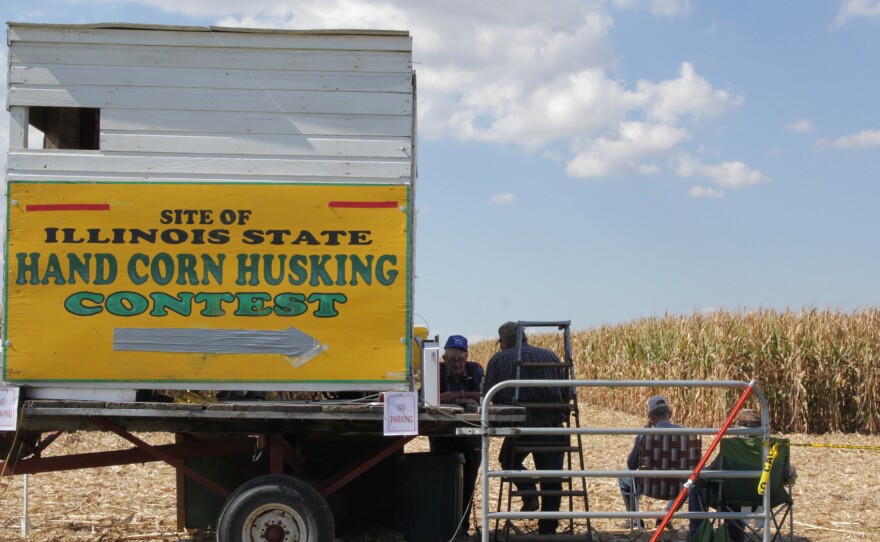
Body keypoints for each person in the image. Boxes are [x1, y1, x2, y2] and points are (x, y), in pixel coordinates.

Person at [482, 321, 569, 535]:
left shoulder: (499, 359)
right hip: (552, 428)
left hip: (519, 429)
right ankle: (548, 530)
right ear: (525, 338)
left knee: (508, 460)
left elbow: (487, 397)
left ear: (505, 341)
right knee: (552, 481)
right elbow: (565, 393)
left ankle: (529, 491)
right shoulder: (550, 356)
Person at [428, 334, 484, 531]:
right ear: (444, 359)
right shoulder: (435, 371)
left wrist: (457, 395)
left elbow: (486, 394)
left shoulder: (476, 369)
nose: (457, 364)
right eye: (452, 360)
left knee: (468, 483)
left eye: (461, 359)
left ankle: (462, 528)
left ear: (467, 357)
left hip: (470, 435)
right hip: (442, 433)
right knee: (441, 481)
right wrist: (462, 400)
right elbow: (424, 396)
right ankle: (443, 528)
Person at [618, 395, 683, 529]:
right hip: (678, 488)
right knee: (684, 478)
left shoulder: (645, 435)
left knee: (623, 476)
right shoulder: (686, 433)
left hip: (648, 486)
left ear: (650, 417)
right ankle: (666, 516)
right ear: (670, 414)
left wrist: (641, 434)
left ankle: (635, 519)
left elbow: (631, 465)